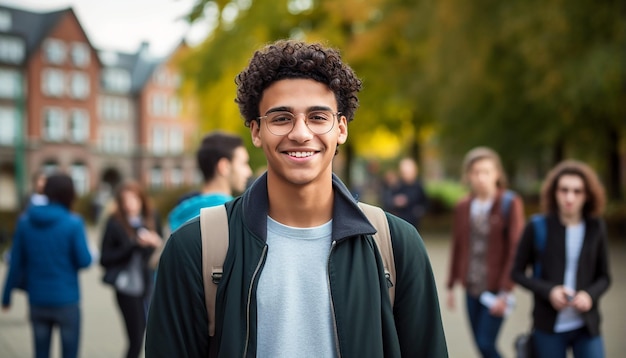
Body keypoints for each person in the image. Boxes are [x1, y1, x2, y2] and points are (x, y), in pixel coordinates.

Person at [145, 39, 448, 357]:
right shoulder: (195, 249)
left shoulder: (396, 246)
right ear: (256, 132)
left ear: (341, 128)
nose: (301, 133)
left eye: (318, 117)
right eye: (281, 118)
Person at [511, 160, 611, 358]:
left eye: (577, 191)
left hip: (586, 326)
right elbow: (516, 273)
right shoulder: (537, 226)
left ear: (587, 195)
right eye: (563, 190)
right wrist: (550, 291)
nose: (569, 197)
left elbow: (605, 277)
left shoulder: (596, 228)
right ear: (553, 192)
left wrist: (589, 295)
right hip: (548, 327)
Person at [445, 147, 525, 358]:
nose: (481, 177)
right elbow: (458, 245)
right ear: (468, 175)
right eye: (476, 172)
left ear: (497, 174)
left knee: (485, 343)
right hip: (471, 287)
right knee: (480, 346)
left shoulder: (509, 203)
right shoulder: (463, 206)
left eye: (486, 172)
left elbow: (516, 250)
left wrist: (506, 291)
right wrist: (451, 285)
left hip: (497, 289)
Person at [2, 172, 93, 358]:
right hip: (67, 300)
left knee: (40, 352)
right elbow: (85, 261)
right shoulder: (73, 223)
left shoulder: (25, 222)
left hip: (37, 300)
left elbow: (15, 262)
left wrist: (6, 297)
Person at [100, 181, 163, 358]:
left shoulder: (152, 217)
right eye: (125, 200)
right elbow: (105, 259)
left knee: (153, 335)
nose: (130, 204)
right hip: (126, 287)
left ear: (141, 199)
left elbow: (162, 251)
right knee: (135, 338)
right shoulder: (114, 223)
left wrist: (156, 242)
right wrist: (133, 245)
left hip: (151, 284)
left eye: (134, 198)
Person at [167, 131, 252, 232]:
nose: (249, 172)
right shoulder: (232, 217)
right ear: (224, 166)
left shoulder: (182, 212)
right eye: (244, 163)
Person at [383, 157, 429, 229]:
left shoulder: (418, 186)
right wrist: (395, 202)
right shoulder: (396, 185)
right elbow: (387, 201)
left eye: (408, 172)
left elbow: (425, 203)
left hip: (413, 222)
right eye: (404, 172)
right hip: (399, 222)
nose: (406, 174)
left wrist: (418, 211)